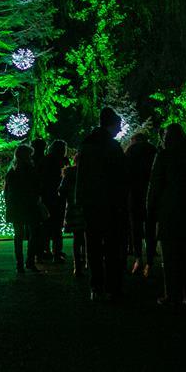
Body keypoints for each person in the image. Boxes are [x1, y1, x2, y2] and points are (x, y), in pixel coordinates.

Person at [147, 124, 186, 308]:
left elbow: (155, 184)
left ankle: (173, 295)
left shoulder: (164, 156)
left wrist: (151, 208)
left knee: (171, 257)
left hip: (169, 212)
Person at [75, 107, 127, 302]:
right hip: (110, 203)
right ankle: (113, 287)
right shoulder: (113, 147)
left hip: (91, 203)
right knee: (112, 246)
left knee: (94, 246)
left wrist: (79, 199)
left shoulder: (87, 145)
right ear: (111, 124)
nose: (119, 129)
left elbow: (81, 175)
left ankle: (96, 286)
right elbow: (122, 177)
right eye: (118, 125)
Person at [4, 144, 41, 273]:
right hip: (29, 204)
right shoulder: (30, 169)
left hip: (15, 205)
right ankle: (30, 261)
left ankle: (19, 264)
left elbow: (7, 190)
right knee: (33, 233)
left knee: (18, 235)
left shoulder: (12, 171)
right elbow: (36, 187)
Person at [125, 132, 157, 276]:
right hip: (150, 193)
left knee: (136, 228)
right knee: (150, 227)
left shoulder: (131, 151)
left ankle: (139, 259)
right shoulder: (153, 150)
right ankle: (150, 261)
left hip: (134, 194)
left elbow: (124, 171)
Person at [38, 140, 68, 262]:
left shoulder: (44, 160)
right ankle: (57, 252)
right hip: (57, 196)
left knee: (46, 225)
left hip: (46, 196)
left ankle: (46, 250)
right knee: (57, 226)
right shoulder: (61, 161)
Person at [59, 156, 86, 276]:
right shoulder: (90, 172)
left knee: (77, 238)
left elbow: (61, 191)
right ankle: (86, 261)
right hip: (87, 208)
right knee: (88, 237)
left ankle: (77, 265)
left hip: (73, 208)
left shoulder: (69, 173)